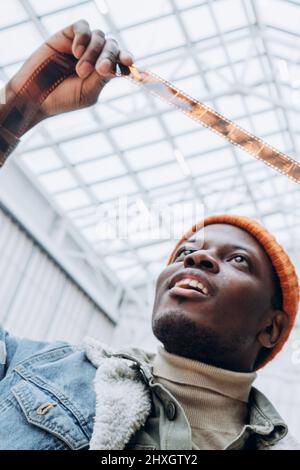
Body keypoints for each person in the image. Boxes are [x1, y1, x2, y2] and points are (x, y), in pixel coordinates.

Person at [0, 20, 299, 451]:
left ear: (271, 328)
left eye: (238, 260)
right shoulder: (35, 371)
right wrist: (18, 109)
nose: (195, 259)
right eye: (184, 252)